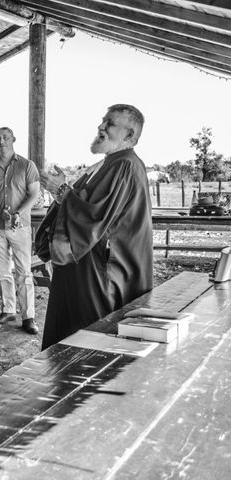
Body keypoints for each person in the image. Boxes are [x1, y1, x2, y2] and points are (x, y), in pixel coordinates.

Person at [37, 104, 152, 350]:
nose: (101, 127)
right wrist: (64, 193)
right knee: (70, 341)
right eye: (103, 121)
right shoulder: (109, 163)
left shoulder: (125, 165)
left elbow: (95, 215)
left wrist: (61, 191)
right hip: (86, 268)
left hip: (102, 272)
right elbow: (87, 203)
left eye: (109, 123)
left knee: (89, 342)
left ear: (129, 135)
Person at [0, 127, 40, 334]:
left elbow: (33, 195)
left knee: (24, 272)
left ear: (14, 139)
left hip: (20, 226)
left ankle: (28, 316)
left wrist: (17, 213)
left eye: (5, 137)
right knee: (3, 271)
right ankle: (8, 309)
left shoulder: (26, 165)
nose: (2, 141)